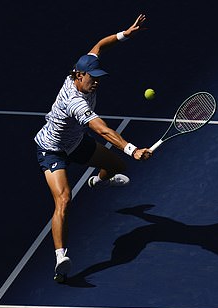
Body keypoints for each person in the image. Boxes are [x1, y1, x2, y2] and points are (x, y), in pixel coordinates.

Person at [34, 14, 152, 282]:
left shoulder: (84, 67)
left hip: (75, 143)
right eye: (93, 77)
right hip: (51, 150)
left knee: (115, 167)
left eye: (99, 76)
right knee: (64, 199)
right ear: (78, 75)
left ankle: (98, 182)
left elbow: (99, 45)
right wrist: (132, 149)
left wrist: (125, 34)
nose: (97, 81)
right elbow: (102, 130)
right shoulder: (75, 102)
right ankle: (60, 257)